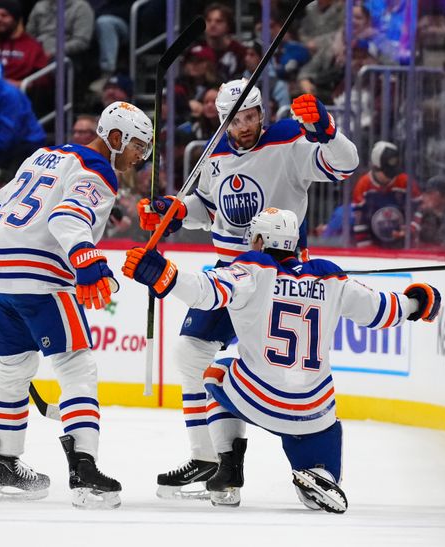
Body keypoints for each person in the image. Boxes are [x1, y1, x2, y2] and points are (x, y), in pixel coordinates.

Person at [123, 207, 441, 510]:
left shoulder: (252, 269)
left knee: (215, 373)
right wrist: (418, 301)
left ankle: (229, 471)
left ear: (260, 241)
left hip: (257, 397)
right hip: (313, 409)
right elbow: (382, 310)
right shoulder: (331, 278)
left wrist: (163, 274)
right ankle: (320, 476)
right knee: (320, 474)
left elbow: (207, 291)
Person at [137, 80, 359, 499]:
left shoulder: (289, 142)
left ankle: (312, 459)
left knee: (279, 370)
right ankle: (213, 462)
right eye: (236, 119)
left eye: (251, 116)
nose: (245, 126)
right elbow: (209, 207)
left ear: (262, 112)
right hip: (231, 271)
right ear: (223, 121)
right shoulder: (213, 155)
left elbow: (344, 164)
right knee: (190, 353)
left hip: (277, 274)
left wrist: (328, 130)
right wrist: (176, 211)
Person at [0, 101, 153, 508]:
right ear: (115, 138)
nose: (141, 157)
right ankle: (84, 472)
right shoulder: (97, 169)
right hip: (41, 277)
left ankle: (3, 464)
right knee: (76, 366)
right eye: (138, 145)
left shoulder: (42, 156)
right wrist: (86, 261)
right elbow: (67, 218)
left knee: (13, 369)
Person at [352, 141, 421, 248]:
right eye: (387, 172)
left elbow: (420, 208)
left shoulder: (405, 181)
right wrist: (367, 251)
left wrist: (411, 228)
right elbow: (359, 222)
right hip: (373, 244)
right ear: (375, 167)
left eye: (394, 171)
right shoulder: (363, 185)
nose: (391, 176)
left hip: (404, 243)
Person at [0, 0, 48, 88]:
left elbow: (43, 79)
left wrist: (23, 84)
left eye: (4, 15)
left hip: (20, 94)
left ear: (16, 20)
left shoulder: (32, 46)